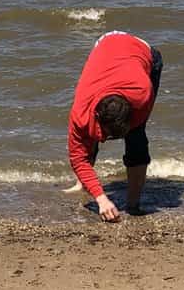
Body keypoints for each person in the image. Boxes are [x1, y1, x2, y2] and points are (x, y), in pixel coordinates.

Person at [68, 31, 162, 222]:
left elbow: (135, 132)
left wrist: (131, 208)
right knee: (89, 135)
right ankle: (83, 184)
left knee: (136, 137)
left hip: (144, 54)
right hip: (107, 46)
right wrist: (101, 199)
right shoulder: (82, 112)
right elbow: (77, 157)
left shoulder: (142, 95)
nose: (105, 139)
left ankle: (133, 203)